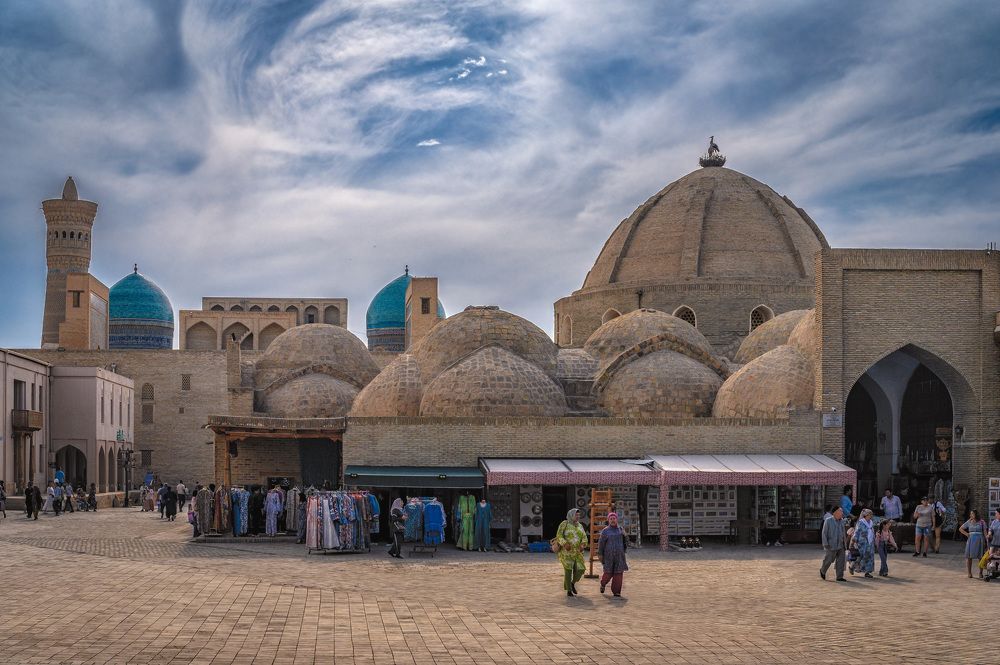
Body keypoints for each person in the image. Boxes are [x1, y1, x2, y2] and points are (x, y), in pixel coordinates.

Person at [556, 508, 588, 597]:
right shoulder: (564, 524)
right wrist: (564, 543)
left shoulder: (580, 525)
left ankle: (572, 583)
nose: (578, 517)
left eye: (579, 515)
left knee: (581, 569)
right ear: (571, 515)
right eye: (576, 515)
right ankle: (569, 590)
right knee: (568, 571)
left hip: (578, 552)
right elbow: (559, 536)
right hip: (566, 552)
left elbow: (584, 537)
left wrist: (583, 544)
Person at [597, 512, 629, 598]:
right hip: (609, 557)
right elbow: (601, 544)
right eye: (611, 519)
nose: (612, 520)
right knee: (608, 573)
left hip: (619, 556)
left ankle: (616, 592)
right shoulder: (605, 531)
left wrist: (625, 536)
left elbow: (626, 541)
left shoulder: (621, 529)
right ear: (608, 520)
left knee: (618, 574)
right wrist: (600, 554)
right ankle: (603, 584)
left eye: (614, 518)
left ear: (616, 519)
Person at [820, 506, 847, 581]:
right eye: (840, 511)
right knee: (828, 560)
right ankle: (823, 570)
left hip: (841, 545)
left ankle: (839, 577)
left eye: (842, 511)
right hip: (831, 544)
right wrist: (825, 543)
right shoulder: (828, 520)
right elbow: (824, 533)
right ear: (835, 512)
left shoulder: (842, 521)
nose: (842, 513)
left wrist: (845, 544)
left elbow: (843, 533)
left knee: (841, 561)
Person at [959, 509, 986, 579]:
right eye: (970, 514)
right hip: (971, 540)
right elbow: (961, 529)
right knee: (969, 557)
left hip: (980, 540)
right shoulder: (969, 521)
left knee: (980, 556)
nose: (971, 515)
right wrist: (967, 534)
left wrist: (987, 540)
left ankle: (980, 572)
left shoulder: (982, 522)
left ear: (976, 514)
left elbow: (985, 532)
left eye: (972, 514)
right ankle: (969, 572)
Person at [850, 508, 875, 578]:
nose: (871, 516)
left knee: (870, 557)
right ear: (866, 515)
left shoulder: (871, 523)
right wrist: (854, 540)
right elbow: (857, 531)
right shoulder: (861, 522)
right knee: (860, 557)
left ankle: (867, 572)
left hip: (870, 543)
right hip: (862, 543)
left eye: (871, 514)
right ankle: (852, 567)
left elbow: (872, 531)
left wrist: (874, 539)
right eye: (870, 514)